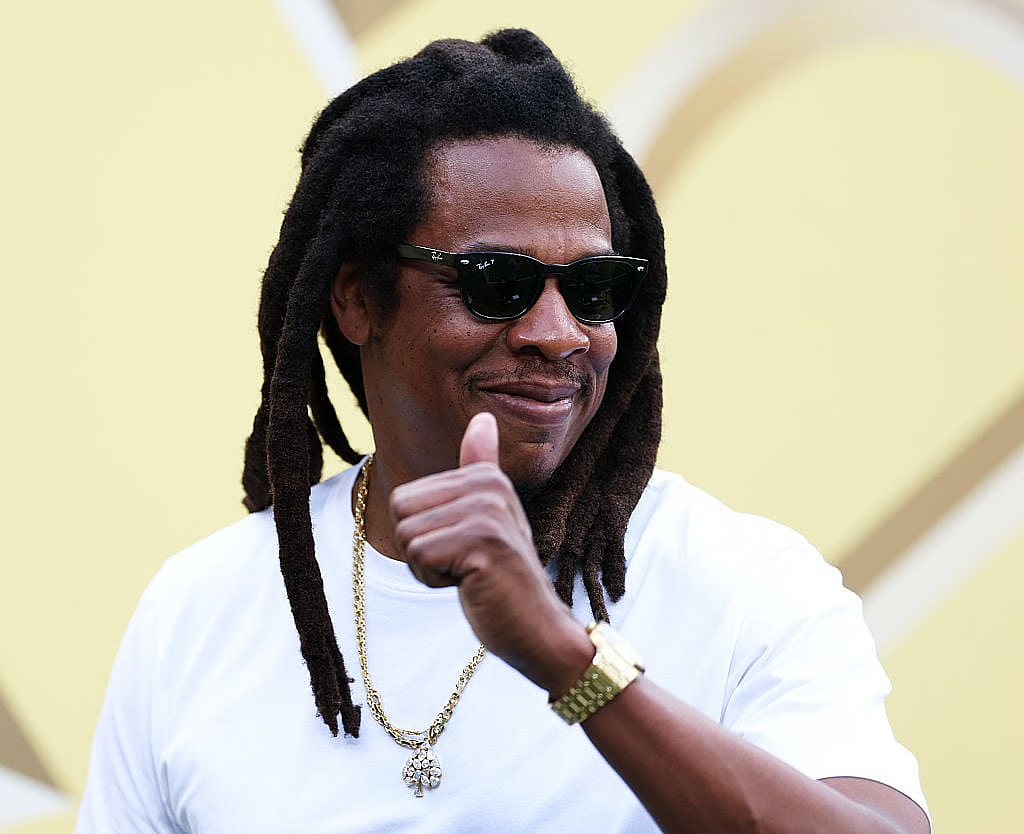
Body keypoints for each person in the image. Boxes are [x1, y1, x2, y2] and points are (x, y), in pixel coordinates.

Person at [77, 28, 929, 833]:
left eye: (593, 288)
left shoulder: (746, 586)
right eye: (496, 281)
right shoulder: (200, 611)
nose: (558, 334)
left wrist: (566, 658)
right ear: (358, 298)